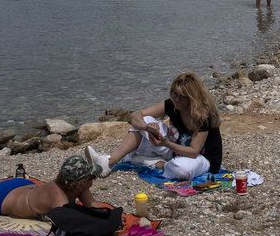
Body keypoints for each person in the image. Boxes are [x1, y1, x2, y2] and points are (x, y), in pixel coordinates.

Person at [85, 73, 223, 180]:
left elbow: (193, 151)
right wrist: (147, 127)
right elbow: (136, 115)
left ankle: (156, 163)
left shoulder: (203, 116)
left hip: (202, 158)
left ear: (191, 98)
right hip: (175, 148)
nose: (176, 99)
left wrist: (166, 143)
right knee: (145, 119)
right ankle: (109, 162)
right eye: (173, 94)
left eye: (181, 97)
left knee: (182, 170)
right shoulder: (172, 105)